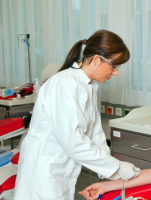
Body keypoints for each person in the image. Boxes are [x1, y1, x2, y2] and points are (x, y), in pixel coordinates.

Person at [14, 30, 140, 200]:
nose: (116, 72)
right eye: (114, 66)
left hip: (61, 171)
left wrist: (110, 171)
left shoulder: (90, 86)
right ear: (97, 60)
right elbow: (73, 142)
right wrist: (115, 167)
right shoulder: (64, 84)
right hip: (43, 172)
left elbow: (95, 133)